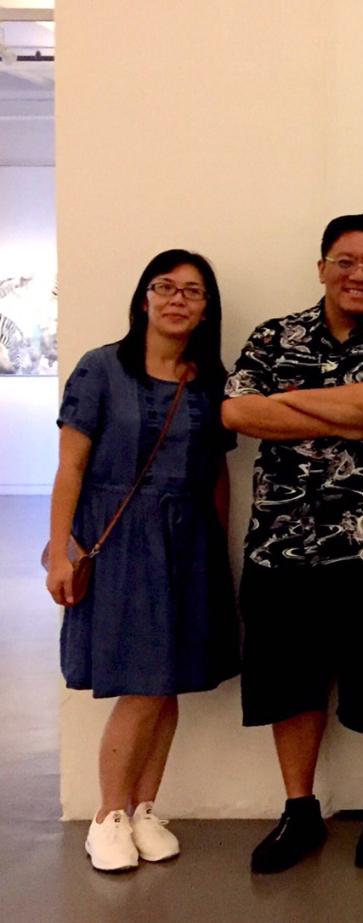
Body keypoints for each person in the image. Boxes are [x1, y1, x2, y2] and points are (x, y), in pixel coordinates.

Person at [221, 215, 363, 873]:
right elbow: (235, 413)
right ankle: (299, 809)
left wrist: (286, 407)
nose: (360, 275)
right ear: (321, 267)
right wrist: (339, 409)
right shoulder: (273, 335)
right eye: (346, 261)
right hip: (281, 549)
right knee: (290, 686)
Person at [48, 249, 239, 873]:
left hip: (190, 541)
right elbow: (70, 466)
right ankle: (107, 814)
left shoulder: (211, 379)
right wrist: (60, 548)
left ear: (207, 308)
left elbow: (216, 474)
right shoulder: (101, 368)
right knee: (140, 683)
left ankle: (143, 808)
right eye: (166, 286)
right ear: (144, 297)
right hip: (121, 537)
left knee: (170, 679)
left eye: (193, 291)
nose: (178, 299)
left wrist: (220, 546)